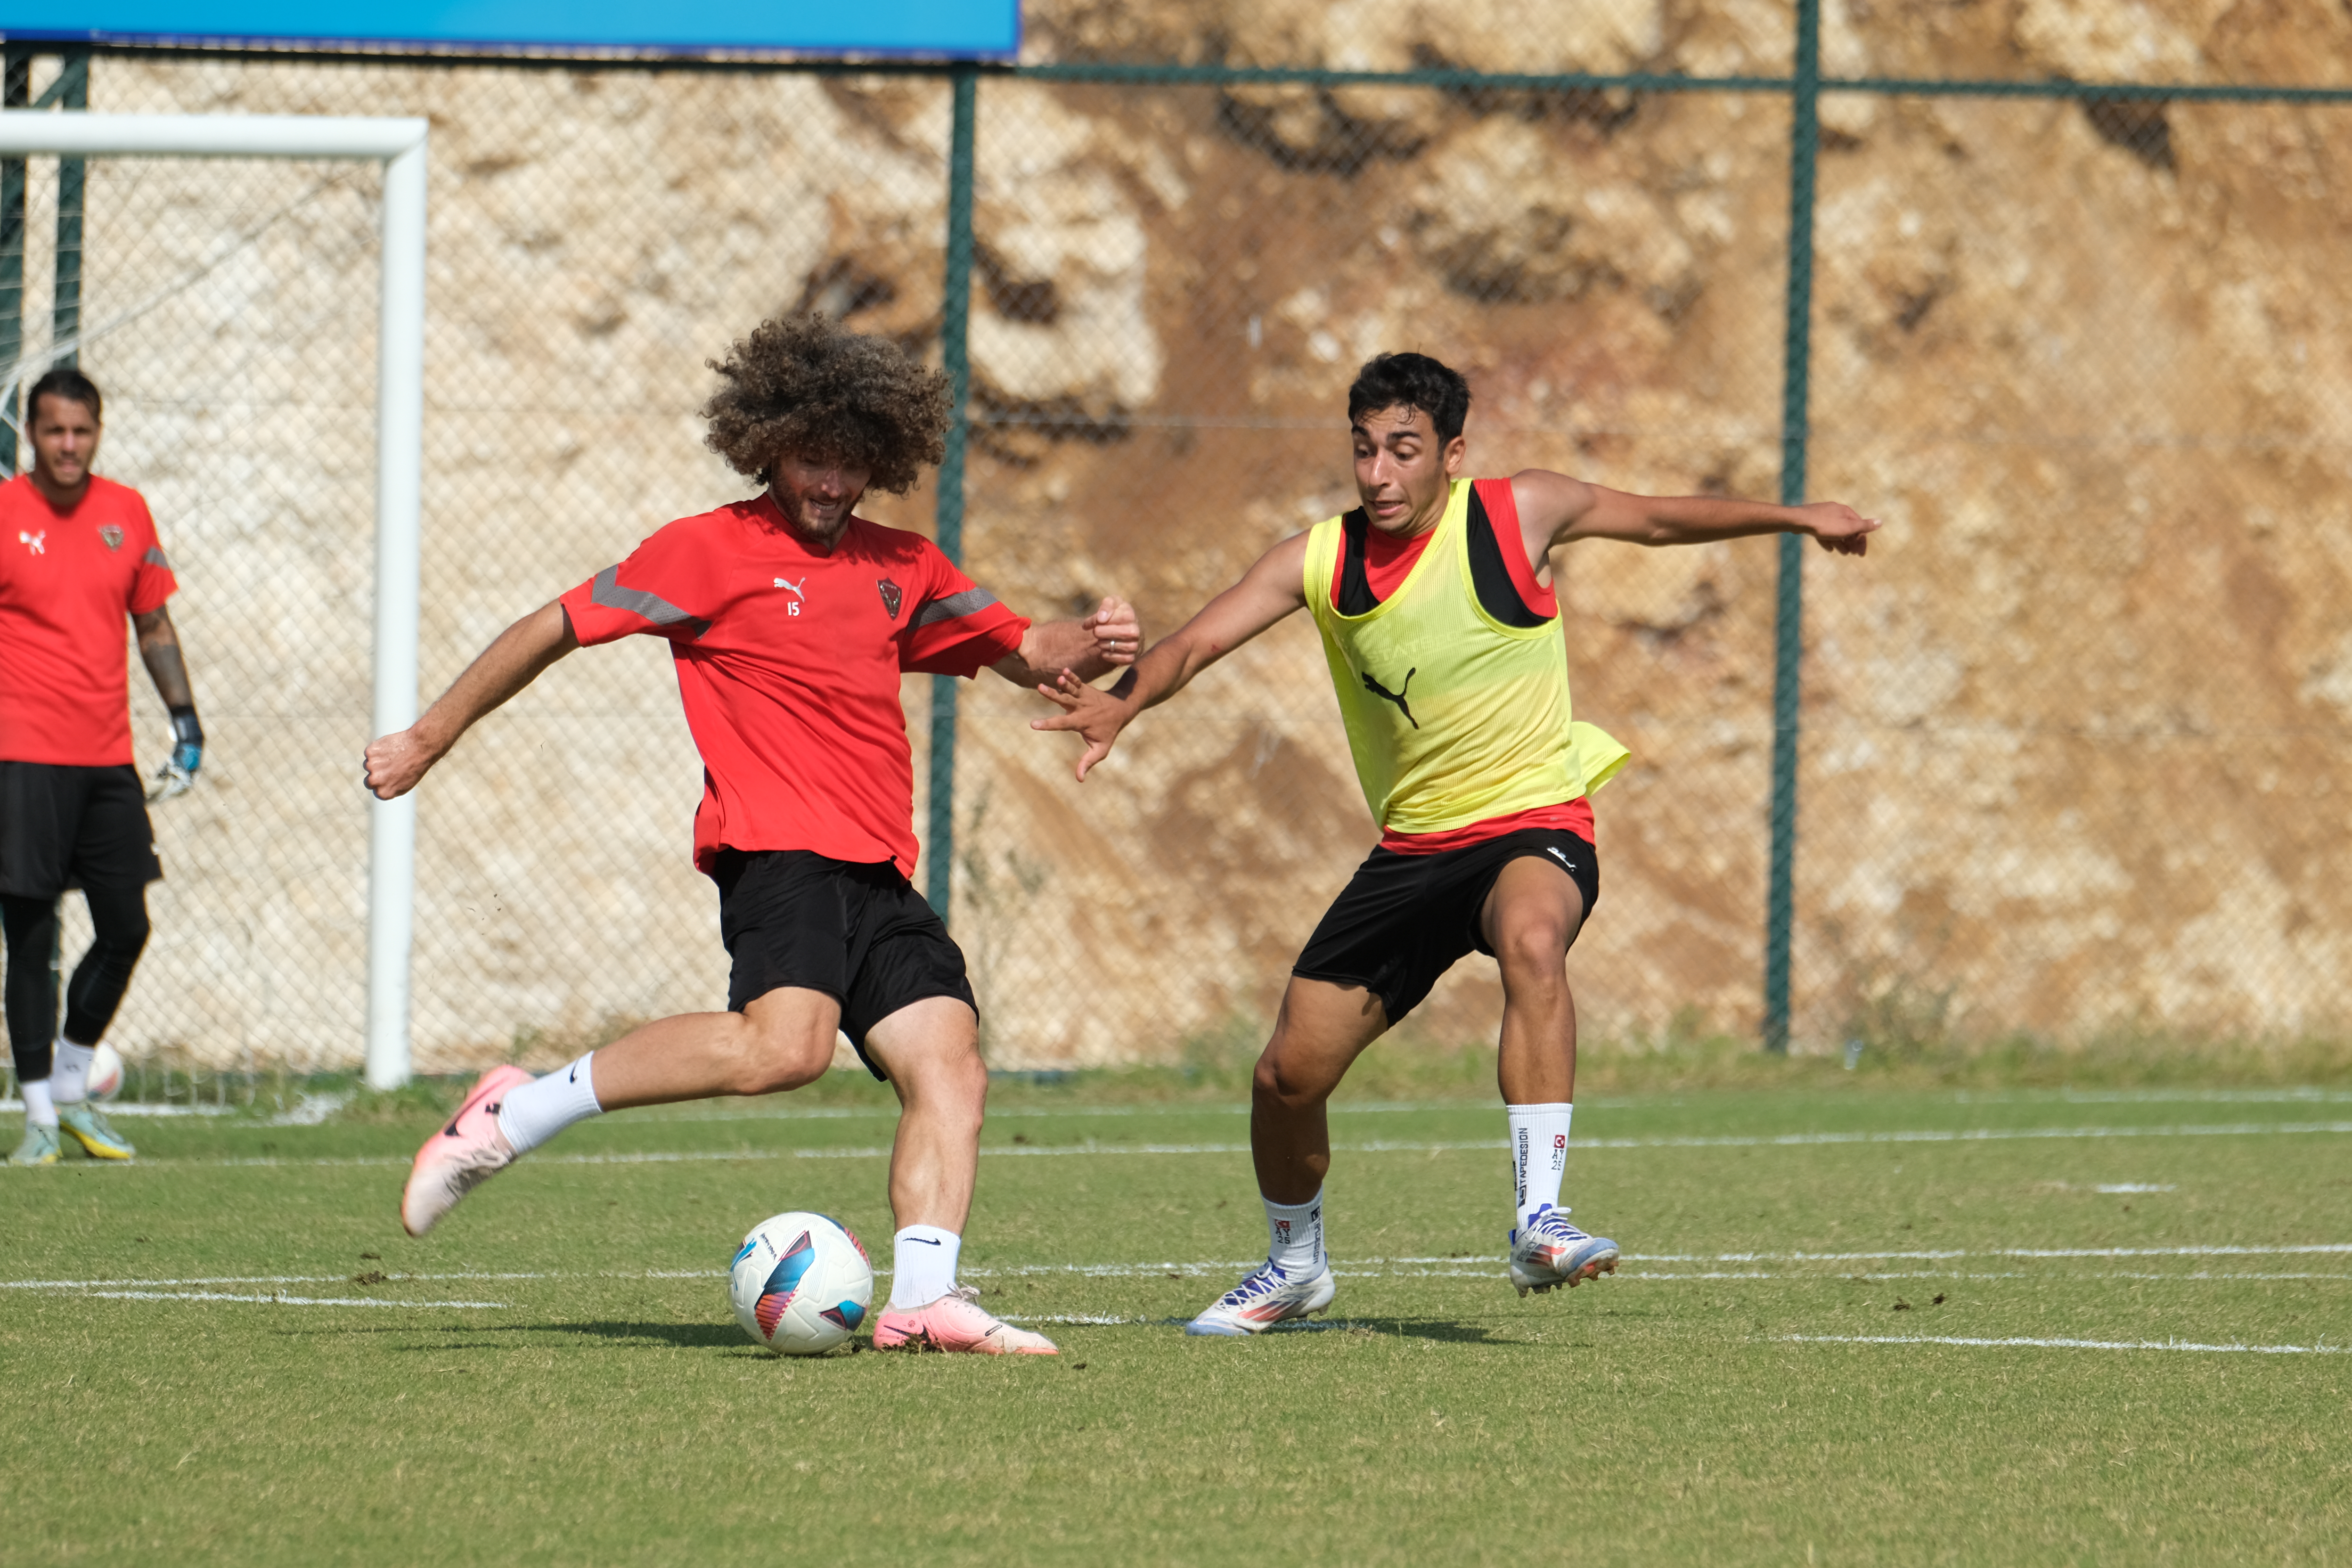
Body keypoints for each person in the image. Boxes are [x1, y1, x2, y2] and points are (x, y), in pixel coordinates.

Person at [1033, 352, 1876, 1334]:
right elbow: (1192, 647)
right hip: (1414, 851)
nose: (1380, 474)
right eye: (1364, 450)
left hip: (1534, 817)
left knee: (1534, 940)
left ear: (1452, 452)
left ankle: (1538, 1218)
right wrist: (1120, 708)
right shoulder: (1318, 559)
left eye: (1403, 450)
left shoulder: (1519, 514)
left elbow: (1655, 518)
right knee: (1286, 1076)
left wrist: (1798, 515)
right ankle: (1295, 1265)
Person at [365, 315, 1138, 1356]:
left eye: (852, 463)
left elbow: (1022, 648)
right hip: (778, 849)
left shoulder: (901, 564)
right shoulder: (708, 552)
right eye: (813, 458)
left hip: (877, 867)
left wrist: (1091, 640)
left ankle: (922, 1298)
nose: (831, 483)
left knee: (949, 1062)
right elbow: (552, 626)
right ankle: (512, 1114)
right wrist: (427, 736)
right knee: (787, 1049)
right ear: (767, 443)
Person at [2, 368, 204, 1168]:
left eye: (82, 432)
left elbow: (152, 621)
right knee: (31, 938)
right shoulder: (7, 512)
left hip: (106, 758)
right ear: (31, 434)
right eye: (55, 432)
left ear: (99, 431)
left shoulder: (127, 511)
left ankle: (77, 1084)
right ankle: (41, 1116)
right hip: (21, 757)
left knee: (126, 924)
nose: (69, 447)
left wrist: (185, 722)